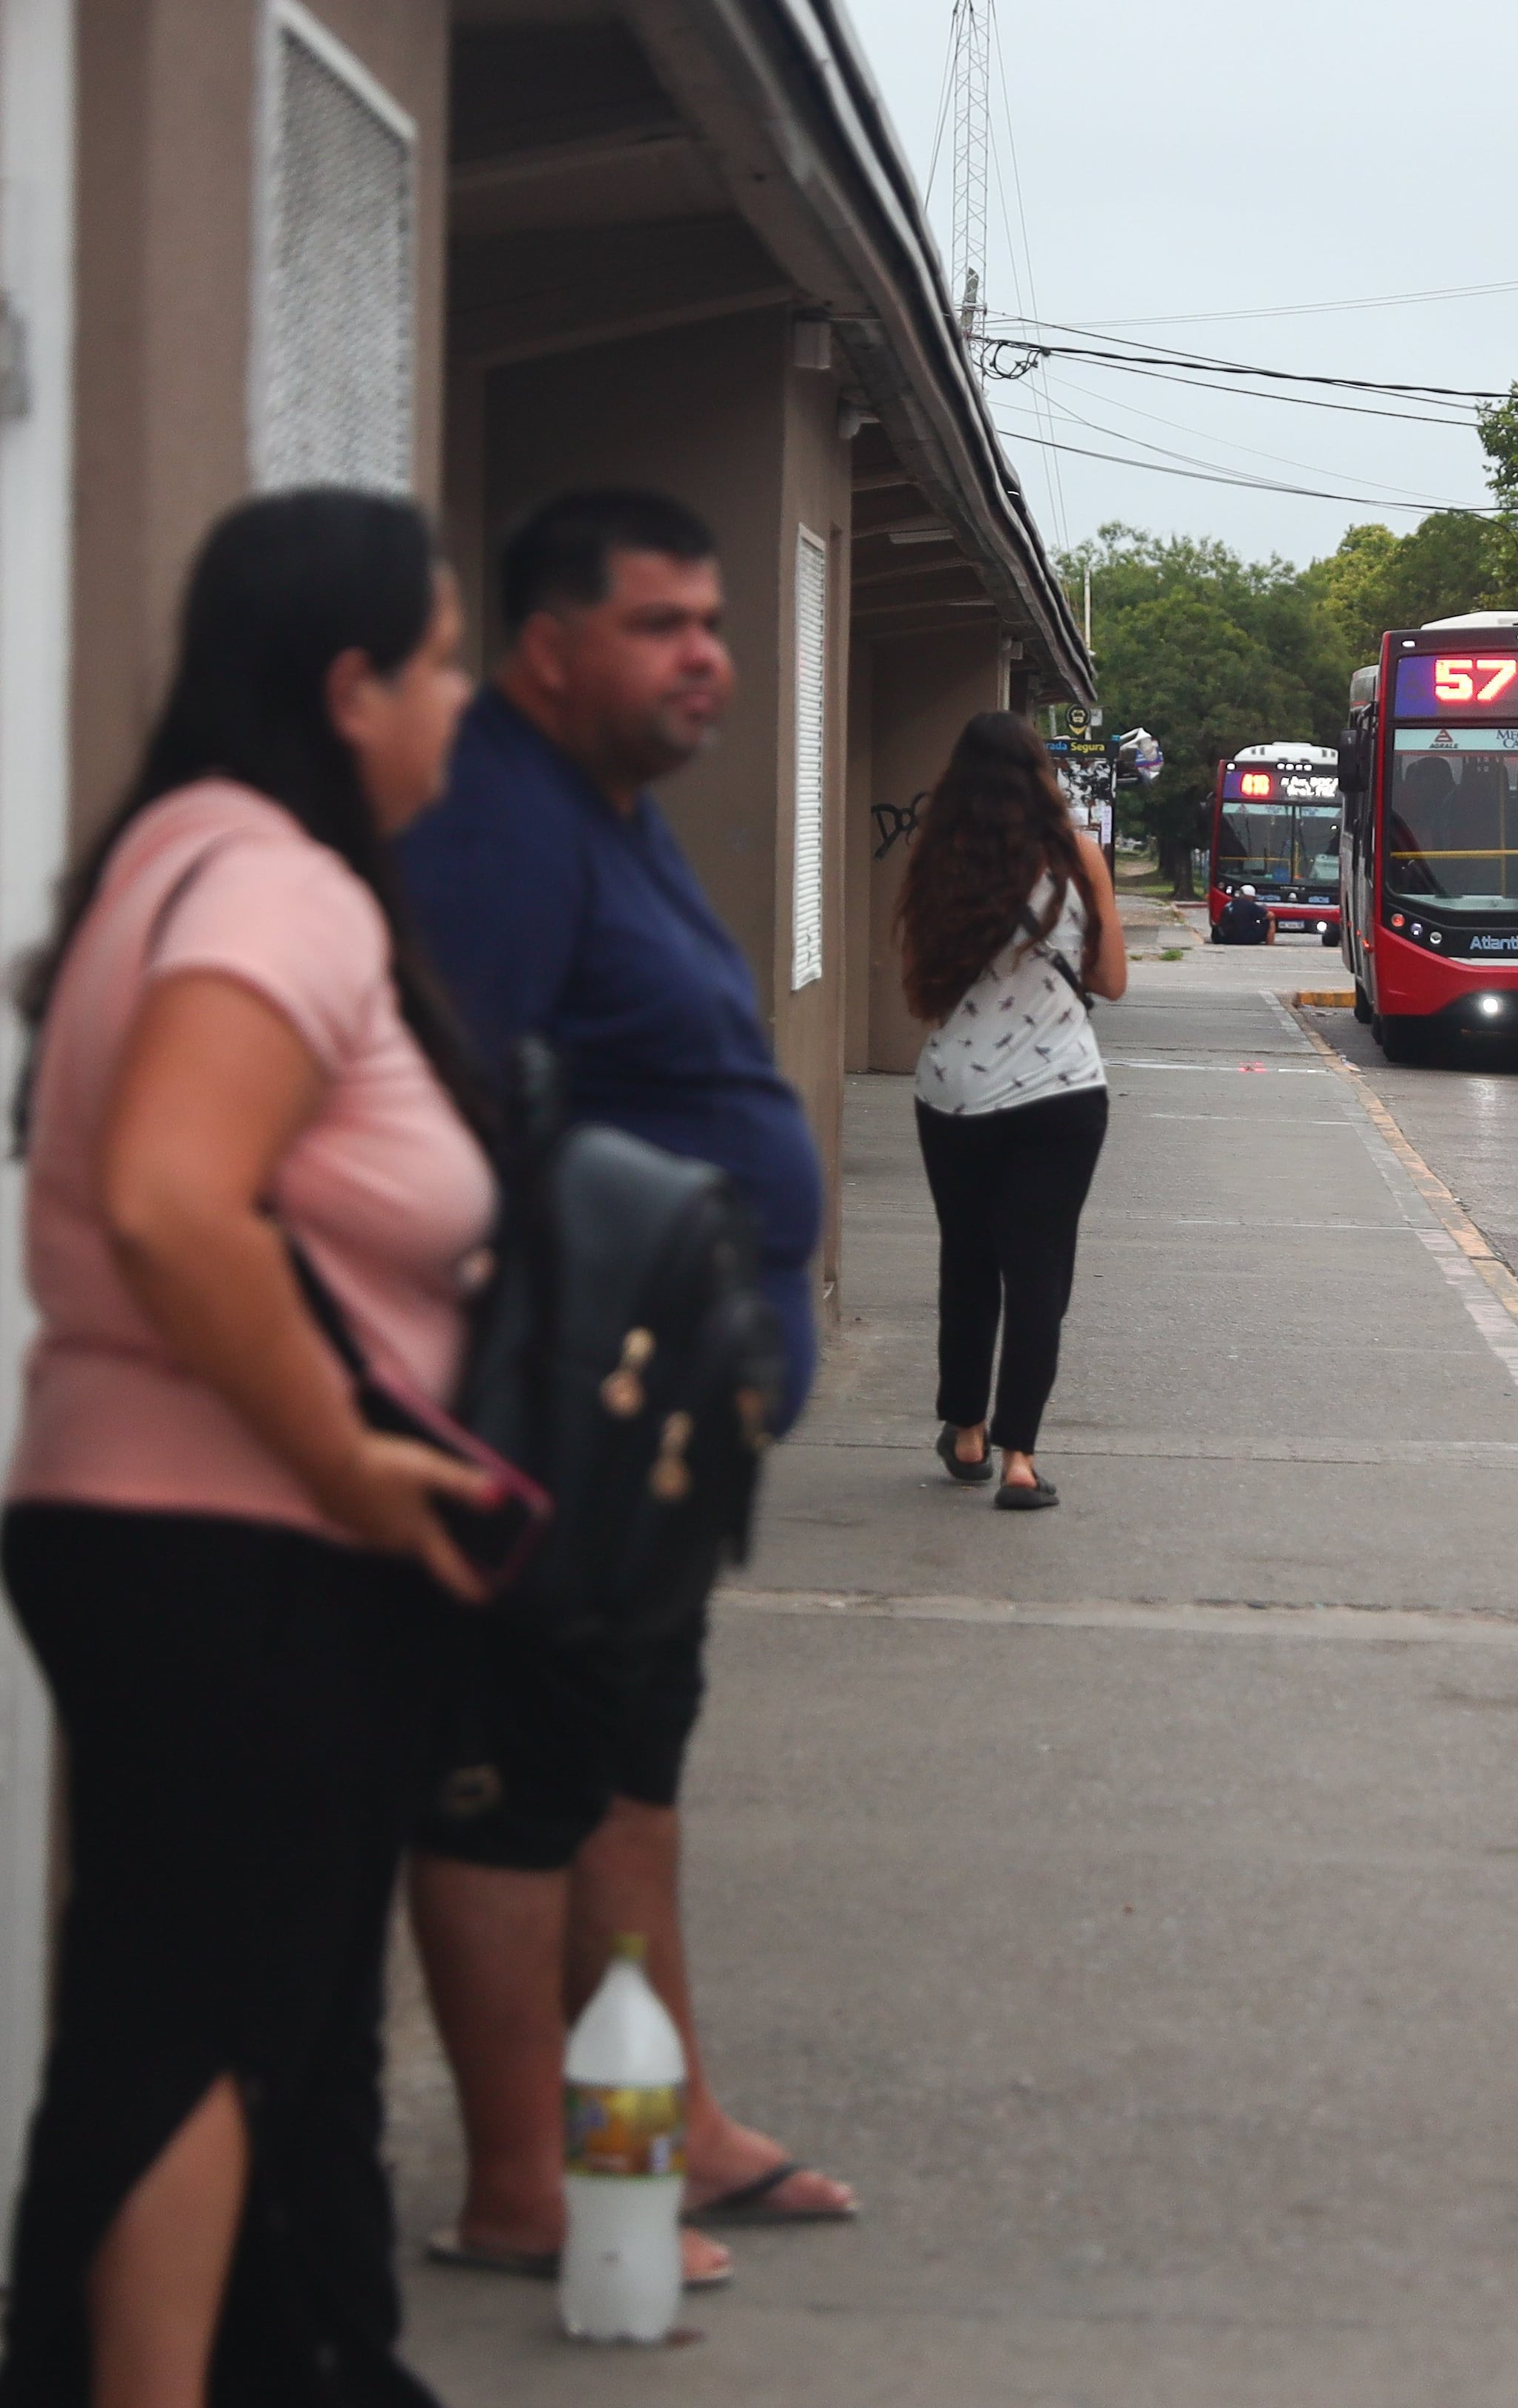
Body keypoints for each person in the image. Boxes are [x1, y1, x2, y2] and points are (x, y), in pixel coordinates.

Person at [0, 488, 503, 2408]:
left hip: (159, 1528)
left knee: (220, 2005)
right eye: (444, 660)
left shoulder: (173, 857)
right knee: (200, 2017)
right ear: (351, 681)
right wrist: (353, 1463)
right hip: (238, 1542)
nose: (458, 703)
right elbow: (171, 1201)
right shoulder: (278, 884)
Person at [396, 487, 854, 2298]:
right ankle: (526, 2177)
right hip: (551, 1427)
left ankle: (664, 2126)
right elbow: (438, 1117)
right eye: (664, 624)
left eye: (716, 624)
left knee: (626, 1787)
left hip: (656, 1432)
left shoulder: (611, 813)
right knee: (518, 1793)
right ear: (547, 643)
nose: (709, 661)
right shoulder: (499, 829)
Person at [898, 711, 1128, 1511]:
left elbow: (917, 978)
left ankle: (965, 1434)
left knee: (966, 1262)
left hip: (954, 1092)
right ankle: (1021, 1459)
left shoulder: (939, 863)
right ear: (1039, 778)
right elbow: (1110, 981)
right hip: (1060, 1092)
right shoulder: (1078, 861)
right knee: (1039, 1275)